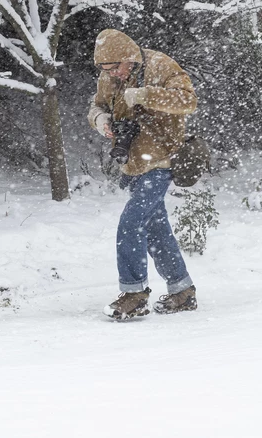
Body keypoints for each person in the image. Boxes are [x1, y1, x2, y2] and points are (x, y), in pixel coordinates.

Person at [87, 29, 199, 320]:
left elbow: (188, 101)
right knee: (155, 229)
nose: (112, 74)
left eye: (114, 68)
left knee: (131, 222)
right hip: (133, 162)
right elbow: (97, 105)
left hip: (163, 159)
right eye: (105, 70)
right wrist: (101, 120)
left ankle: (134, 294)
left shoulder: (161, 65)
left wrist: (145, 96)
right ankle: (182, 291)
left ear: (129, 58)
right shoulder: (109, 76)